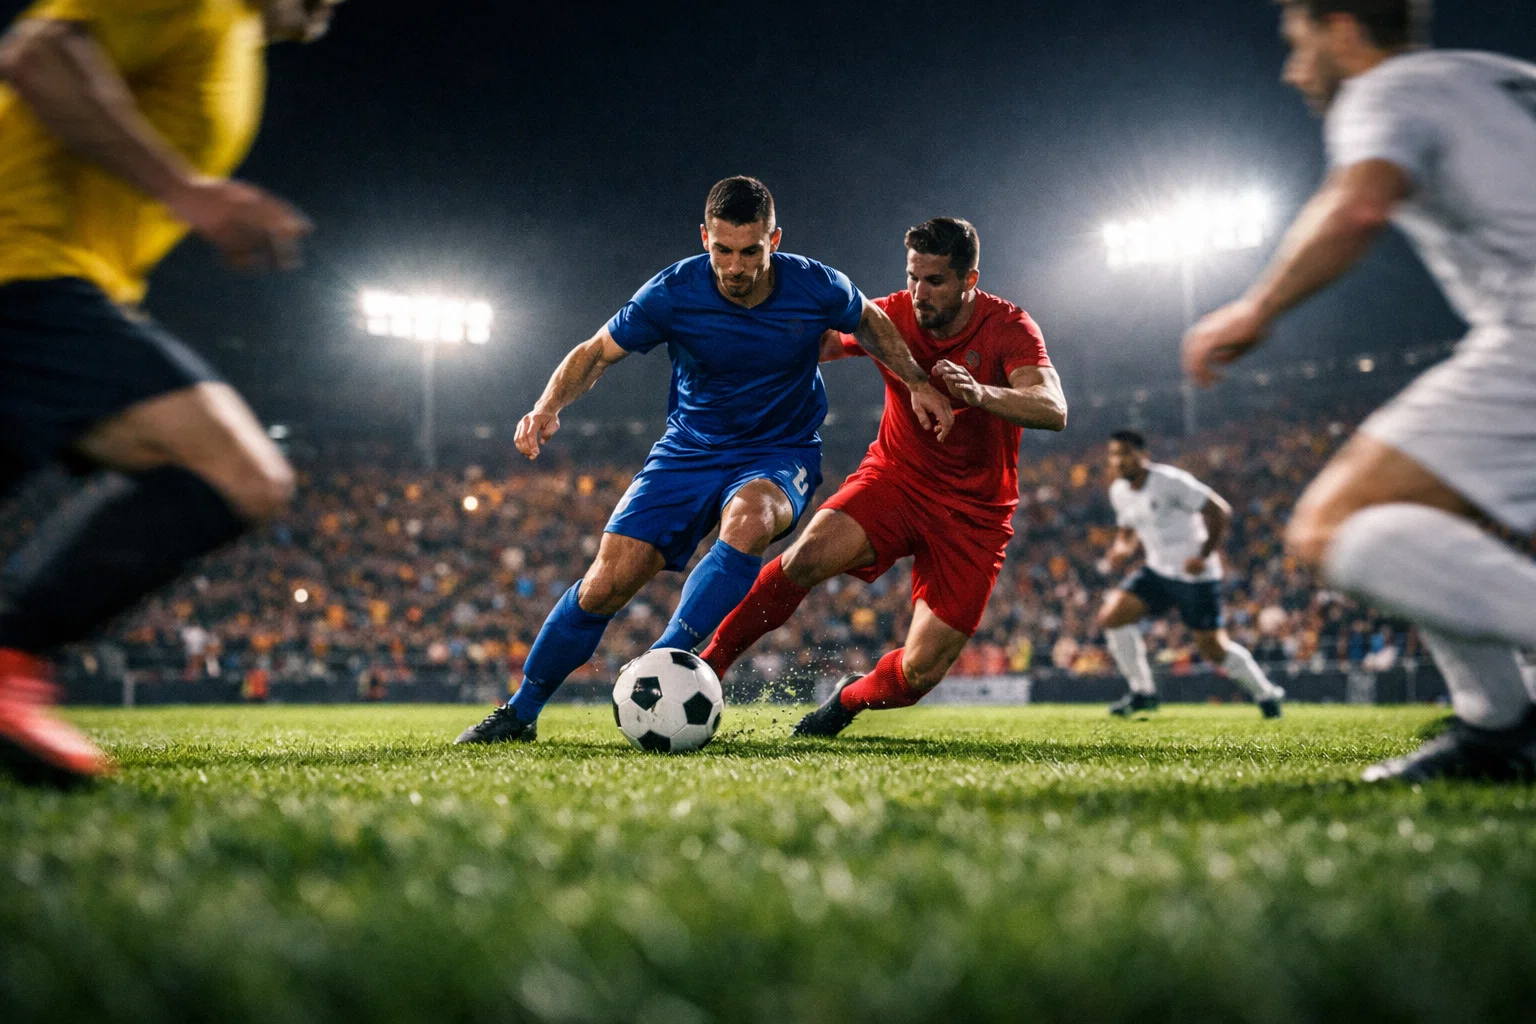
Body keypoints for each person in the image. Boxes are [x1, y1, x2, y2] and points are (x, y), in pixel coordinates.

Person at [455, 177, 953, 745]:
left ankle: (666, 660)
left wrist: (915, 381)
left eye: (750, 251)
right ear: (705, 239)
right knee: (604, 585)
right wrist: (547, 406)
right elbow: (596, 352)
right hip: (687, 450)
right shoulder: (674, 292)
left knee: (751, 520)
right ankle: (520, 713)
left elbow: (868, 319)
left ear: (774, 240)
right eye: (722, 250)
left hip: (778, 451)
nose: (735, 267)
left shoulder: (816, 285)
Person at [1183, 0, 1536, 780]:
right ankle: (1503, 731)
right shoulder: (1498, 78)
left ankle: (1503, 724)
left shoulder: (1388, 88)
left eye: (1299, 44)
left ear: (1343, 29)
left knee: (1345, 522)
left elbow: (1359, 204)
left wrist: (1256, 308)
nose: (1292, 69)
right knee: (1442, 519)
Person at [0, 0, 341, 786]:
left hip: (53, 280)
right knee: (238, 471)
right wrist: (187, 190)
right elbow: (39, 51)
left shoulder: (236, 46)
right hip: (26, 269)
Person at [698, 217, 1067, 737]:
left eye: (934, 281)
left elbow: (1053, 407)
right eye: (913, 276)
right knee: (805, 556)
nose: (918, 292)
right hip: (897, 481)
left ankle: (847, 700)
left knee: (917, 676)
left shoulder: (1009, 327)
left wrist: (981, 393)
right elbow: (823, 343)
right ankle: (707, 666)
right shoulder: (891, 314)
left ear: (969, 280)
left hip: (975, 515)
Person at [1095, 431, 1286, 719]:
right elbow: (1127, 534)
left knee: (1213, 649)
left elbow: (1219, 511)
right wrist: (1120, 551)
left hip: (1195, 575)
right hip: (1157, 571)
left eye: (1125, 453)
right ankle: (1143, 693)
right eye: (1113, 454)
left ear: (1142, 455)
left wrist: (1204, 555)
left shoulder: (1171, 481)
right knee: (1112, 616)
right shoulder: (1119, 492)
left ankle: (1267, 694)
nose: (1118, 460)